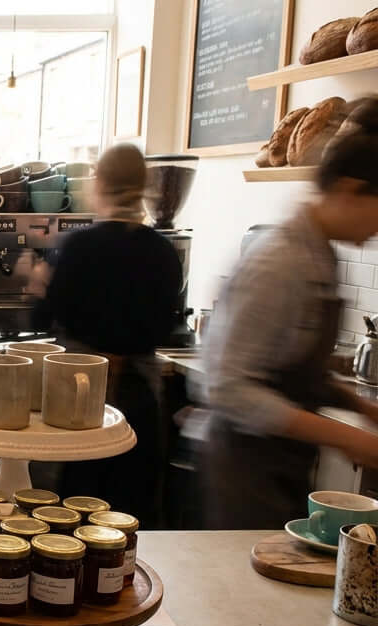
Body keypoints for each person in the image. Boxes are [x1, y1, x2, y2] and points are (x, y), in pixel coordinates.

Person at [204, 105, 378, 529]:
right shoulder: (280, 260)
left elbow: (293, 370)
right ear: (351, 190)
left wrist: (357, 405)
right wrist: (346, 436)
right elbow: (227, 386)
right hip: (244, 468)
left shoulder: (320, 255)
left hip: (281, 462)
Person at [34, 144, 182, 527]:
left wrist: (36, 283)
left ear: (98, 184)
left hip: (79, 399)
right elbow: (165, 328)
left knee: (69, 520)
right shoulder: (163, 251)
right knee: (129, 518)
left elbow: (42, 318)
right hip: (139, 398)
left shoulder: (77, 246)